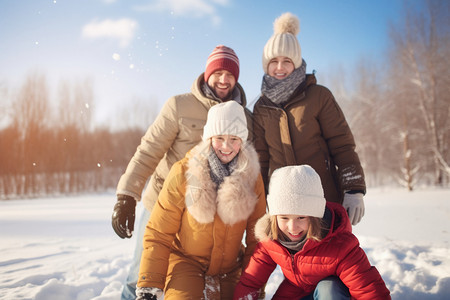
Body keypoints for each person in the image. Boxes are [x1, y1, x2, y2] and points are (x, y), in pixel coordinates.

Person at [111, 45, 252, 300]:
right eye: (218, 72)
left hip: (207, 214)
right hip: (164, 203)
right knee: (140, 276)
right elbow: (149, 150)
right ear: (207, 74)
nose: (223, 79)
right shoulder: (179, 106)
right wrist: (127, 194)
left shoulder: (243, 116)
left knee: (196, 276)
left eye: (230, 74)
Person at [135, 101, 266, 300]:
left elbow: (257, 239)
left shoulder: (252, 178)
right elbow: (159, 232)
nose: (226, 146)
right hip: (186, 263)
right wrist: (150, 285)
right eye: (219, 138)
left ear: (243, 140)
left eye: (234, 139)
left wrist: (252, 285)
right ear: (208, 138)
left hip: (230, 268)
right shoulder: (183, 172)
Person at [252, 12, 366, 225]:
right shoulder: (261, 107)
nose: (279, 67)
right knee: (293, 258)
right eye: (273, 61)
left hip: (324, 199)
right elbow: (261, 159)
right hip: (283, 207)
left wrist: (353, 188)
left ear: (296, 63)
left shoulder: (318, 96)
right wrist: (261, 202)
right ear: (265, 64)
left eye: (286, 61)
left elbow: (342, 145)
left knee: (328, 256)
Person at [233, 165, 391, 300]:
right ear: (274, 217)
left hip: (334, 294)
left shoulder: (340, 246)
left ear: (315, 216)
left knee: (328, 287)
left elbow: (368, 290)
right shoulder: (271, 240)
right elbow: (251, 282)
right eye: (284, 217)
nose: (292, 227)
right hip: (296, 292)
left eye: (301, 217)